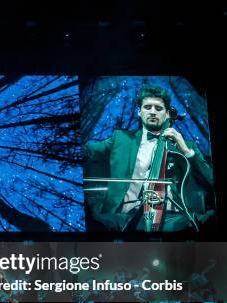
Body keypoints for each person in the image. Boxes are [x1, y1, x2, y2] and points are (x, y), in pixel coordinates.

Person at [83, 84, 214, 232]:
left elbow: (209, 180)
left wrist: (185, 150)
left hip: (173, 218)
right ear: (139, 112)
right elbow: (87, 151)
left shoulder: (186, 145)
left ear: (167, 114)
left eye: (158, 108)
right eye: (147, 107)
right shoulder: (120, 139)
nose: (152, 112)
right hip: (122, 217)